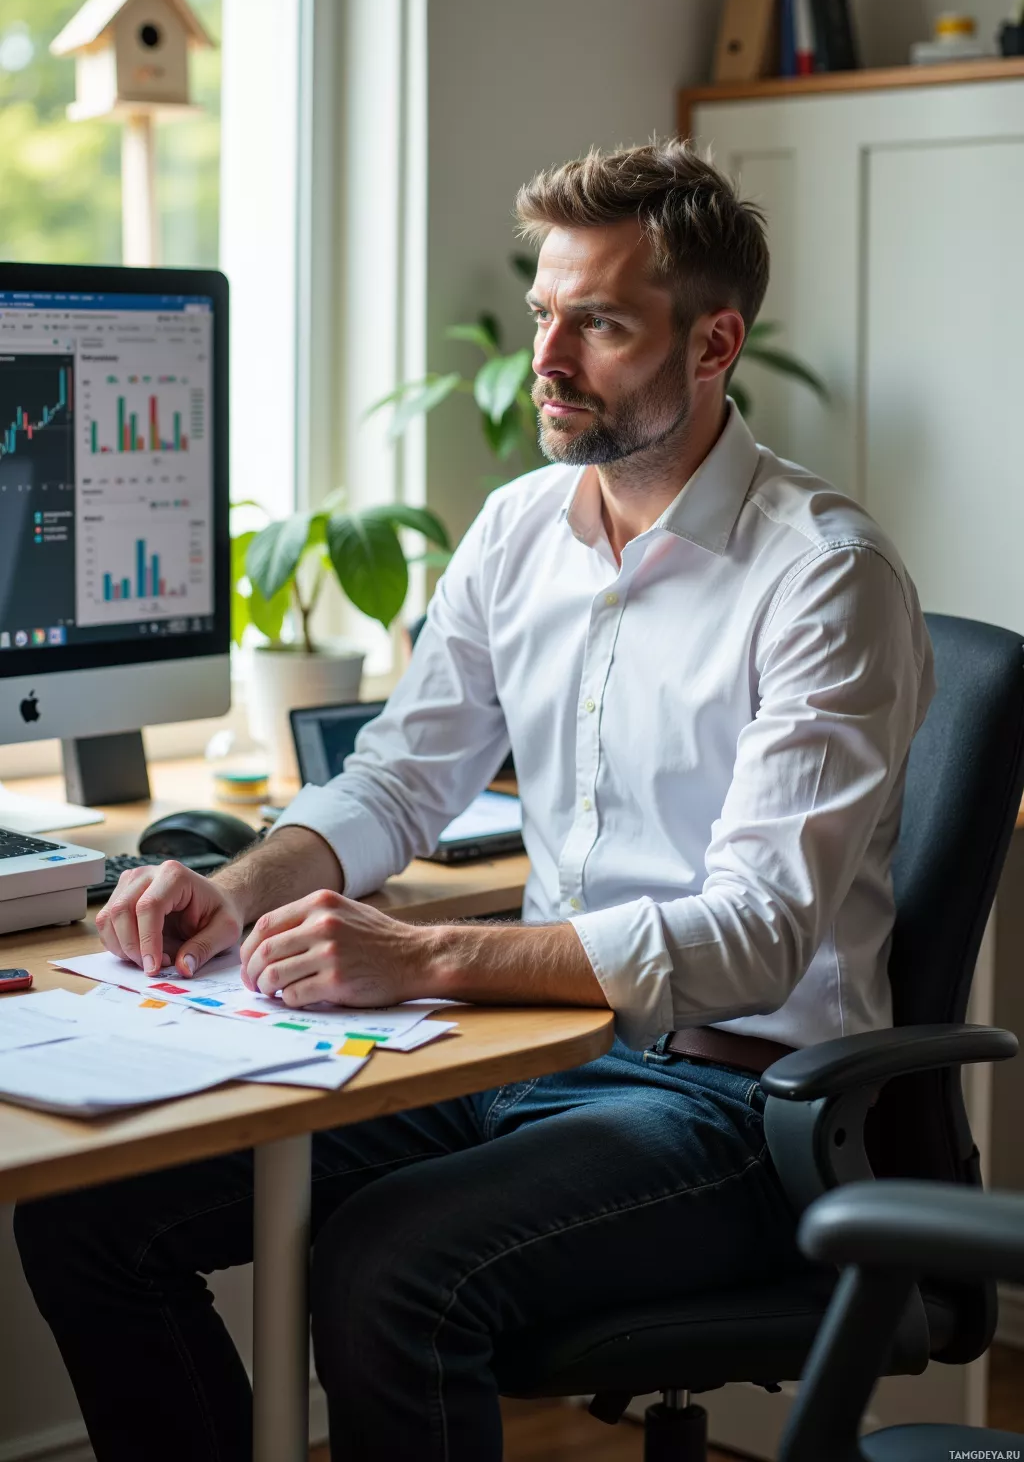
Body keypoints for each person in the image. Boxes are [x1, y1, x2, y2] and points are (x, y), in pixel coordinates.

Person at [15, 139, 934, 1462]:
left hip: (740, 1104)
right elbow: (397, 781)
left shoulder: (823, 579)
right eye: (544, 312)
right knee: (93, 1218)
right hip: (516, 1055)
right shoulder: (516, 530)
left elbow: (755, 938)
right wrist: (227, 892)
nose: (548, 359)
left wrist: (422, 954)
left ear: (715, 341)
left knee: (392, 1272)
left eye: (601, 324)